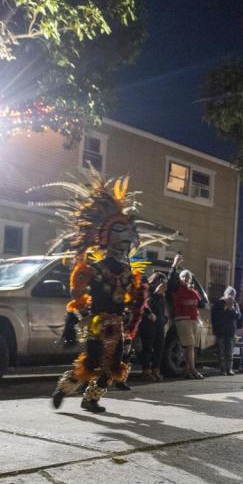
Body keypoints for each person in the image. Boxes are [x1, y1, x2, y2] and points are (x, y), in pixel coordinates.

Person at [49, 173, 149, 413]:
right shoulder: (93, 269)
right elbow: (77, 290)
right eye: (119, 232)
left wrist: (133, 312)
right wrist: (82, 313)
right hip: (97, 323)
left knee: (114, 366)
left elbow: (135, 299)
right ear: (106, 237)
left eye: (127, 236)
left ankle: (91, 399)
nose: (125, 242)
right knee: (93, 362)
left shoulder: (128, 272)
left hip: (119, 325)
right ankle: (65, 387)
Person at [168, 256, 207, 379]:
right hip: (183, 319)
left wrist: (193, 298)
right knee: (189, 346)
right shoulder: (176, 287)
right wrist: (174, 265)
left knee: (192, 347)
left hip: (193, 319)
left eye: (188, 277)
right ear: (180, 278)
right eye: (183, 276)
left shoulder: (193, 290)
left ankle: (187, 371)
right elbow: (170, 280)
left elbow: (201, 302)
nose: (185, 279)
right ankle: (194, 370)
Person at [137, 271, 168, 381]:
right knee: (148, 348)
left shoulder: (162, 295)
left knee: (159, 347)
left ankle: (156, 370)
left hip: (159, 323)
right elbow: (143, 304)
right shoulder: (147, 290)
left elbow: (163, 309)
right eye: (160, 281)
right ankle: (146, 371)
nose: (163, 284)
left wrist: (164, 319)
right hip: (148, 323)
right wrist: (155, 292)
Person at [212, 286, 241, 375]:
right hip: (220, 331)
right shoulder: (219, 303)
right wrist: (225, 308)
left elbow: (238, 316)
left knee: (230, 352)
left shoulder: (235, 304)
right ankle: (223, 369)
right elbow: (215, 316)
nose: (231, 296)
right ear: (225, 294)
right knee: (221, 352)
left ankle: (229, 369)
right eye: (229, 294)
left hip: (230, 331)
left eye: (233, 295)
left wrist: (232, 309)